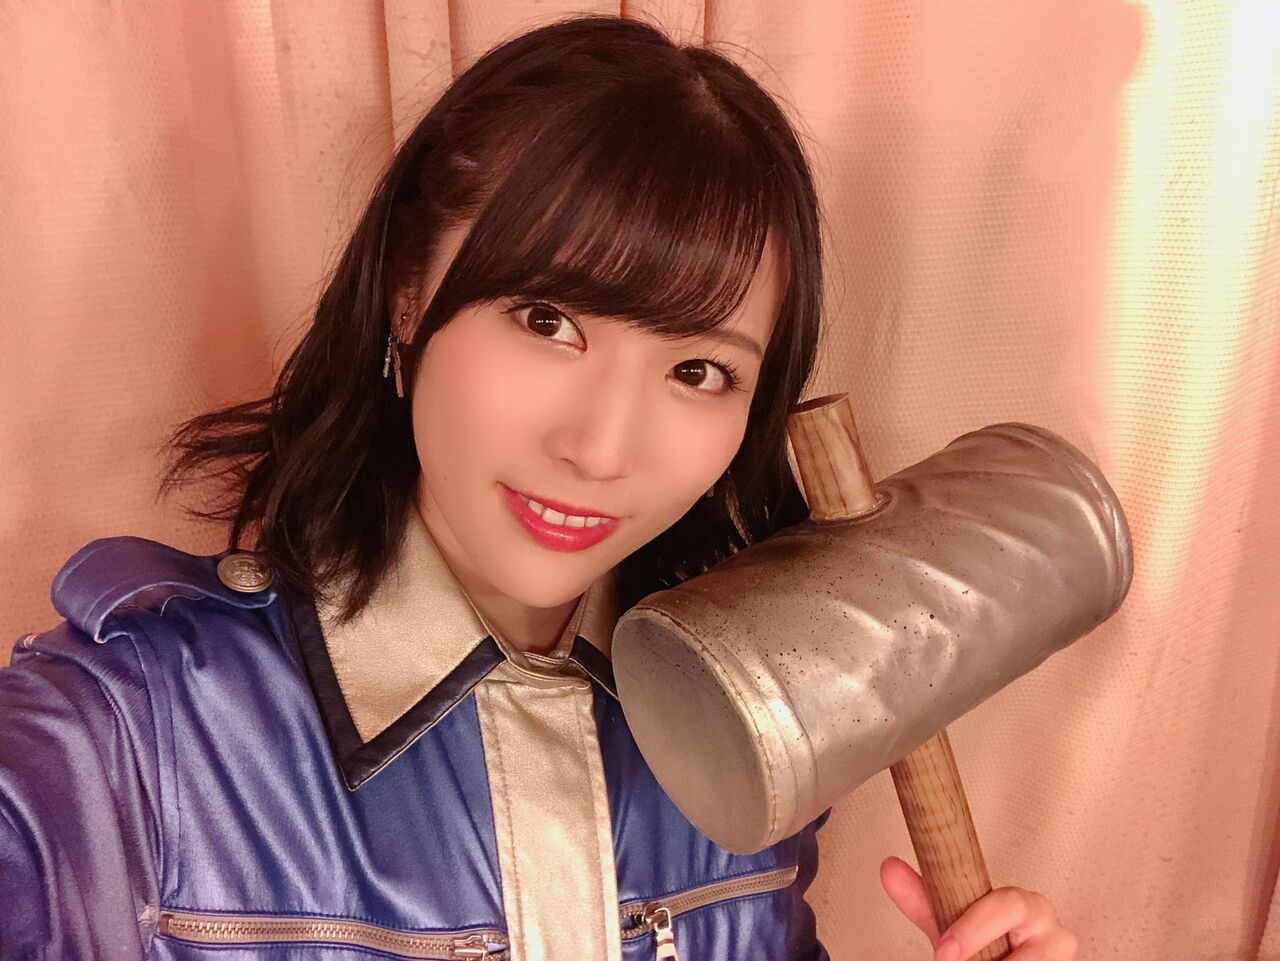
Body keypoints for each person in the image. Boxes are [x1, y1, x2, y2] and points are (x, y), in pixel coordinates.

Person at [0, 14, 1077, 961]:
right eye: (547, 320)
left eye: (697, 372)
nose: (601, 449)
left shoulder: (749, 753)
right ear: (408, 296)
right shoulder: (120, 738)